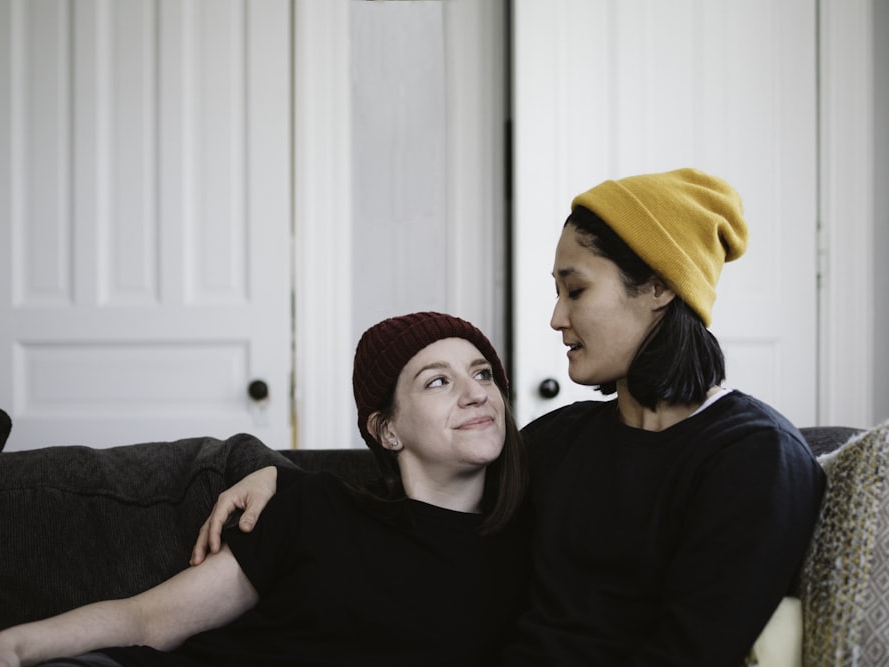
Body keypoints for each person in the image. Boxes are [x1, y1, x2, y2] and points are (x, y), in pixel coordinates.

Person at [191, 168, 826, 667]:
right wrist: (274, 474)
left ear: (659, 286)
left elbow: (690, 653)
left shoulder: (754, 459)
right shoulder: (563, 440)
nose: (556, 318)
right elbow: (410, 502)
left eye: (575, 290)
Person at [0, 312, 531, 667]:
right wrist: (19, 644)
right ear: (386, 429)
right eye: (438, 381)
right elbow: (151, 620)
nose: (475, 392)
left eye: (483, 374)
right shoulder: (314, 506)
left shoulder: (536, 542)